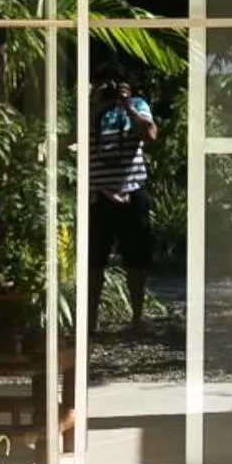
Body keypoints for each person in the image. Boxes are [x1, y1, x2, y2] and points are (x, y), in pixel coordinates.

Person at [87, 78, 158, 332]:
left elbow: (149, 134)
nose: (112, 90)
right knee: (94, 260)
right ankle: (90, 321)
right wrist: (96, 105)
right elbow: (75, 138)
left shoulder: (138, 105)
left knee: (136, 259)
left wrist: (128, 106)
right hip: (99, 195)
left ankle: (137, 318)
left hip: (133, 190)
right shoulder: (90, 110)